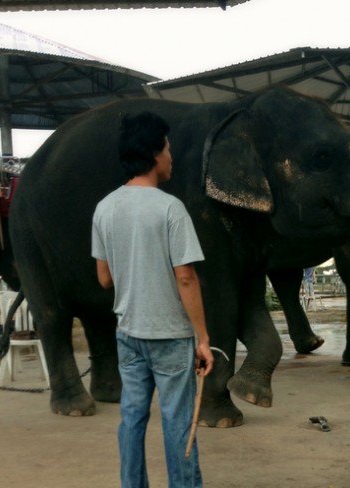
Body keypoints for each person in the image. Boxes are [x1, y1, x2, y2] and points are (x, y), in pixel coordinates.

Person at [91, 111, 214, 488]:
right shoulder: (170, 209)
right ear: (154, 154)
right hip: (171, 336)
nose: (171, 156)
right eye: (168, 147)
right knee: (179, 425)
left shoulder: (105, 208)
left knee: (131, 420)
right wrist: (203, 338)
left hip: (128, 333)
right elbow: (186, 278)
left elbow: (104, 278)